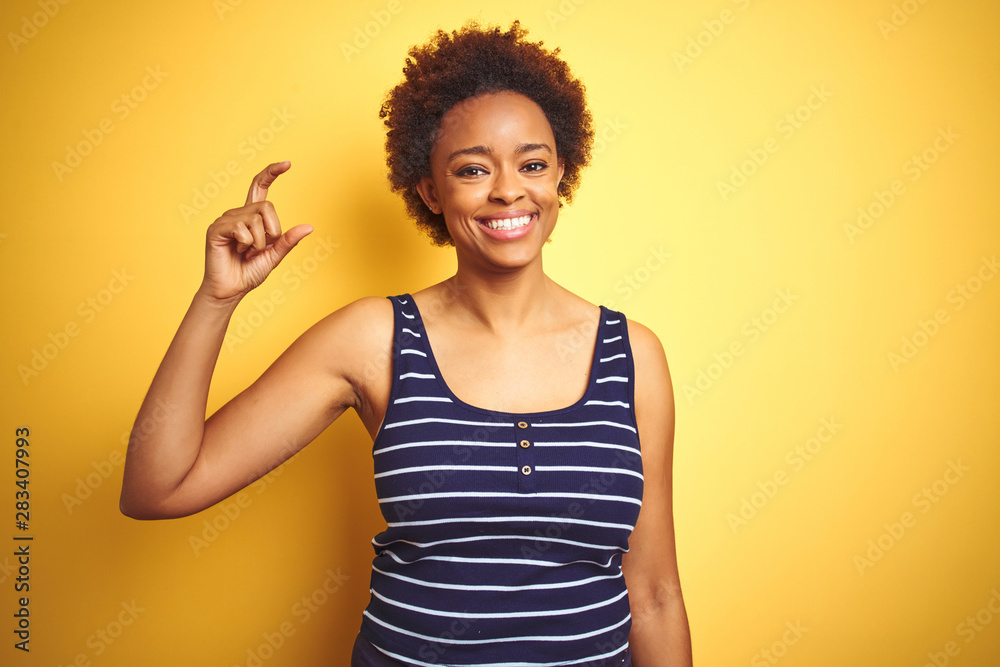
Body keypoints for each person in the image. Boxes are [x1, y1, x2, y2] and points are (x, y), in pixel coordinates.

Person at [120, 21, 692, 667]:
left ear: (561, 173)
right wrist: (216, 300)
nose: (508, 189)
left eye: (532, 163)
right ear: (430, 190)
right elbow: (156, 488)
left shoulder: (632, 355)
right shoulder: (374, 339)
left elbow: (655, 593)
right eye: (473, 169)